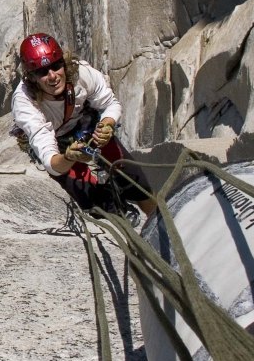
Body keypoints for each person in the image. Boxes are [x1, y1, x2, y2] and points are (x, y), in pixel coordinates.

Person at [10, 32, 156, 220]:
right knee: (92, 199)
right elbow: (51, 160)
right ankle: (113, 209)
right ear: (31, 77)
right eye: (42, 72)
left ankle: (157, 223)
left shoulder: (82, 74)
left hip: (86, 124)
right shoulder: (25, 103)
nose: (53, 76)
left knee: (135, 180)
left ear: (63, 62)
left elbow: (110, 104)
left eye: (56, 66)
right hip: (58, 142)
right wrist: (69, 157)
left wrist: (107, 125)